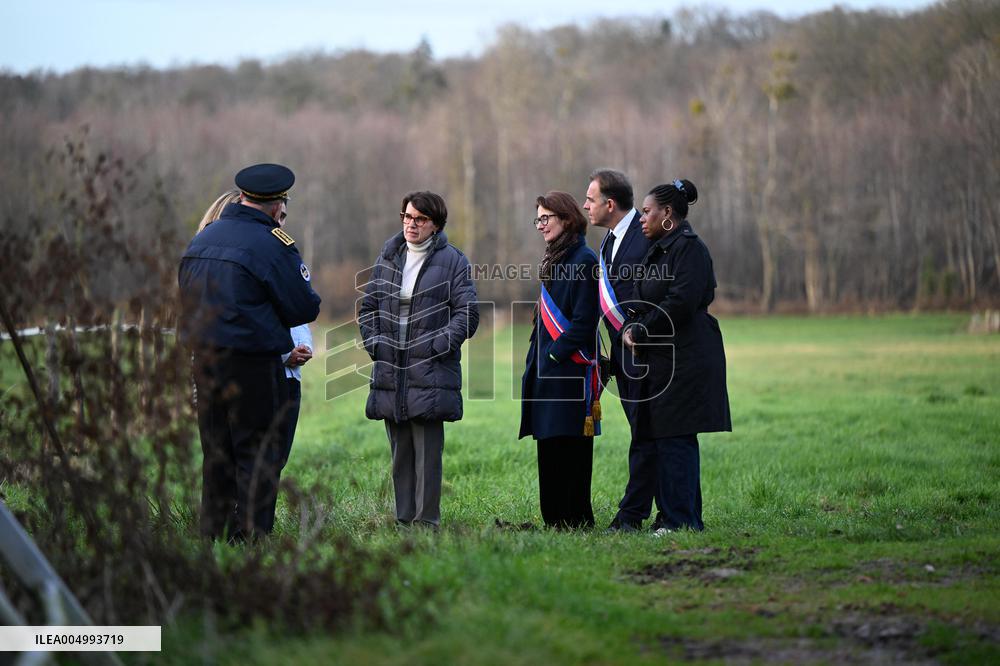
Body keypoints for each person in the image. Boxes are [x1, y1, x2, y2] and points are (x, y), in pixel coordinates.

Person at [179, 164, 321, 542]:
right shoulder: (272, 244)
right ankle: (252, 540)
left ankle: (214, 535)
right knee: (257, 453)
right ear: (278, 206)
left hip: (205, 361)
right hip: (253, 365)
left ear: (242, 197)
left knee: (217, 452)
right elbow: (303, 307)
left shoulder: (202, 241)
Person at [358, 191, 479, 529]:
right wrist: (375, 344)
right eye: (407, 217)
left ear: (435, 225)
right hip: (390, 368)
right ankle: (403, 519)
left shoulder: (454, 261)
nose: (411, 224)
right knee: (400, 451)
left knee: (427, 452)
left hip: (431, 367)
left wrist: (436, 345)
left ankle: (426, 521)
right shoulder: (388, 257)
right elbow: (368, 308)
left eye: (420, 219)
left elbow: (468, 313)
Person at [620, 179, 731, 532]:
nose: (641, 218)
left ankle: (680, 520)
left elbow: (681, 302)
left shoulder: (689, 249)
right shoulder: (660, 248)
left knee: (676, 438)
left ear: (668, 214)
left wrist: (641, 329)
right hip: (662, 358)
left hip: (686, 357)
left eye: (648, 212)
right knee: (664, 437)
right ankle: (676, 517)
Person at [195, 189, 314, 472]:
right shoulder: (248, 253)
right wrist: (284, 353)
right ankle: (242, 517)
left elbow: (295, 312)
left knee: (257, 462)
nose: (280, 224)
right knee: (249, 465)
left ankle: (234, 516)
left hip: (275, 369)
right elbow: (243, 319)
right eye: (279, 215)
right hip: (255, 369)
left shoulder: (268, 250)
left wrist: (301, 345)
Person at [583, 168, 661, 533]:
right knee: (641, 431)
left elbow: (650, 294)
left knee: (647, 433)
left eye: (591, 199)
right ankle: (650, 510)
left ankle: (633, 514)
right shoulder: (609, 241)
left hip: (646, 352)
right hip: (621, 355)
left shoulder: (643, 236)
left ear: (609, 204)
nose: (586, 206)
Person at [519, 191, 601, 529]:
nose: (540, 225)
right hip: (548, 368)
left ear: (566, 219)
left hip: (568, 368)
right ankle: (554, 519)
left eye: (545, 218)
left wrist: (552, 355)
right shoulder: (557, 257)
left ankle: (575, 519)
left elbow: (585, 321)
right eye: (537, 219)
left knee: (569, 445)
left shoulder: (584, 259)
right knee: (549, 443)